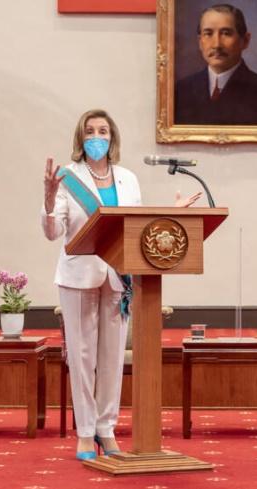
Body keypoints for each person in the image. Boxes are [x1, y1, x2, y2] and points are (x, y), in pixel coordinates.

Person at [41, 109, 200, 461]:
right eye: (90, 131)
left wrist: (169, 214)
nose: (96, 136)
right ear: (80, 138)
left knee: (112, 359)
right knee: (83, 359)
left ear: (112, 137)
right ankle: (84, 433)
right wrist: (50, 201)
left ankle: (106, 428)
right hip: (78, 276)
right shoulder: (68, 178)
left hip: (119, 276)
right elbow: (54, 232)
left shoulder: (128, 179)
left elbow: (136, 228)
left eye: (102, 130)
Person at [174, 3, 257, 125]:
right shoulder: (180, 91)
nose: (217, 45)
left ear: (245, 40)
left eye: (226, 33)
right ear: (200, 42)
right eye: (208, 34)